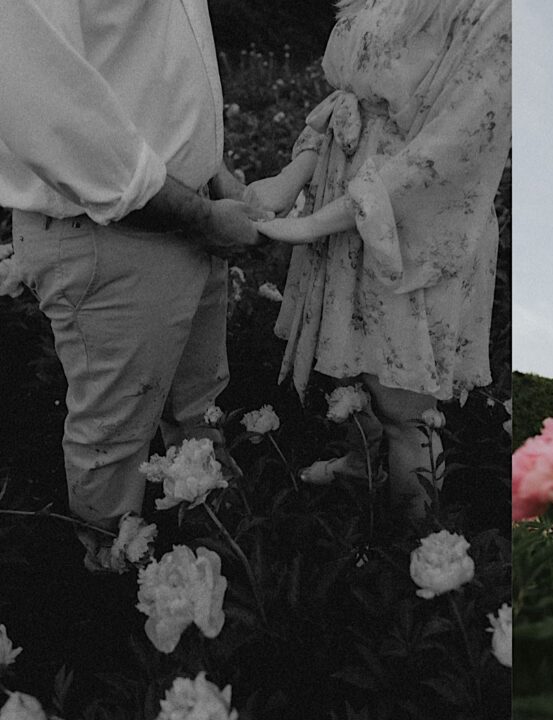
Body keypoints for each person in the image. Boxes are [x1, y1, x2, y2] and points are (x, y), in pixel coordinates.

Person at [0, 1, 270, 533]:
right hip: (109, 228)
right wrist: (201, 217)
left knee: (199, 407)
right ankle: (115, 589)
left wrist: (210, 168)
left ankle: (215, 563)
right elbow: (49, 109)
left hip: (179, 209)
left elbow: (146, 63)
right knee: (114, 444)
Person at [249, 0, 512, 518]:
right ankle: (360, 460)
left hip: (412, 217)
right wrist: (294, 176)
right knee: (350, 364)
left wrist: (317, 222)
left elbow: (459, 140)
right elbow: (347, 97)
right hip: (344, 200)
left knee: (405, 408)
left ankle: (414, 546)